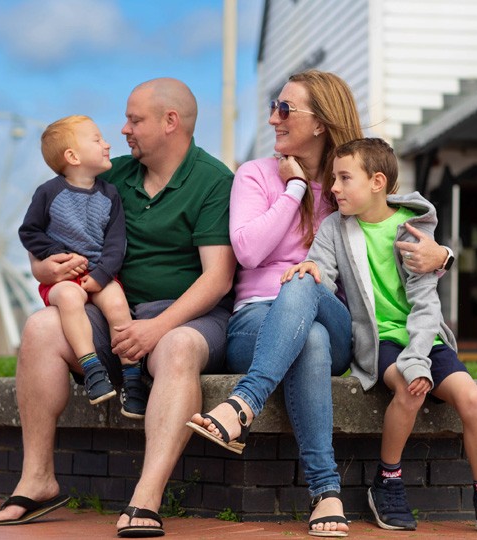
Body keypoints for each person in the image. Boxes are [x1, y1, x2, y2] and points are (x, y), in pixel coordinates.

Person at [187, 70, 448, 537]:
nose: (273, 118)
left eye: (285, 109)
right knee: (308, 335)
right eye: (273, 106)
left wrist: (444, 254)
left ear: (321, 122)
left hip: (336, 320)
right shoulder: (255, 175)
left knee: (306, 283)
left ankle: (242, 404)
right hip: (256, 323)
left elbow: (403, 221)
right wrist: (294, 190)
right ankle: (326, 492)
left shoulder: (349, 184)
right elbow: (247, 251)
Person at [0, 78, 236, 537]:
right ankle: (38, 479)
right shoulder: (110, 175)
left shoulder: (214, 181)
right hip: (113, 313)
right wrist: (43, 269)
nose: (123, 130)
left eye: (135, 120)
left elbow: (216, 278)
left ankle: (146, 497)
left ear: (170, 122)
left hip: (190, 317)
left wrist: (154, 328)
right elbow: (45, 232)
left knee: (176, 348)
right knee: (41, 326)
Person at [281, 137, 477, 533]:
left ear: (377, 182)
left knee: (473, 398)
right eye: (333, 178)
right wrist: (308, 271)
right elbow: (320, 272)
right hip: (380, 341)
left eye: (344, 178)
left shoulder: (411, 230)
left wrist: (420, 356)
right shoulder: (334, 228)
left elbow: (427, 305)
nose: (334, 188)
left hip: (423, 337)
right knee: (411, 388)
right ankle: (387, 482)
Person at [18, 114, 137, 410]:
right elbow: (29, 231)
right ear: (72, 156)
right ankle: (92, 368)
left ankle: (132, 378)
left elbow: (115, 241)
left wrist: (103, 274)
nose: (107, 144)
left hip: (101, 272)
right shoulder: (48, 193)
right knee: (70, 299)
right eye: (97, 140)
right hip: (62, 278)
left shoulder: (110, 194)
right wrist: (58, 254)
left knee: (118, 305)